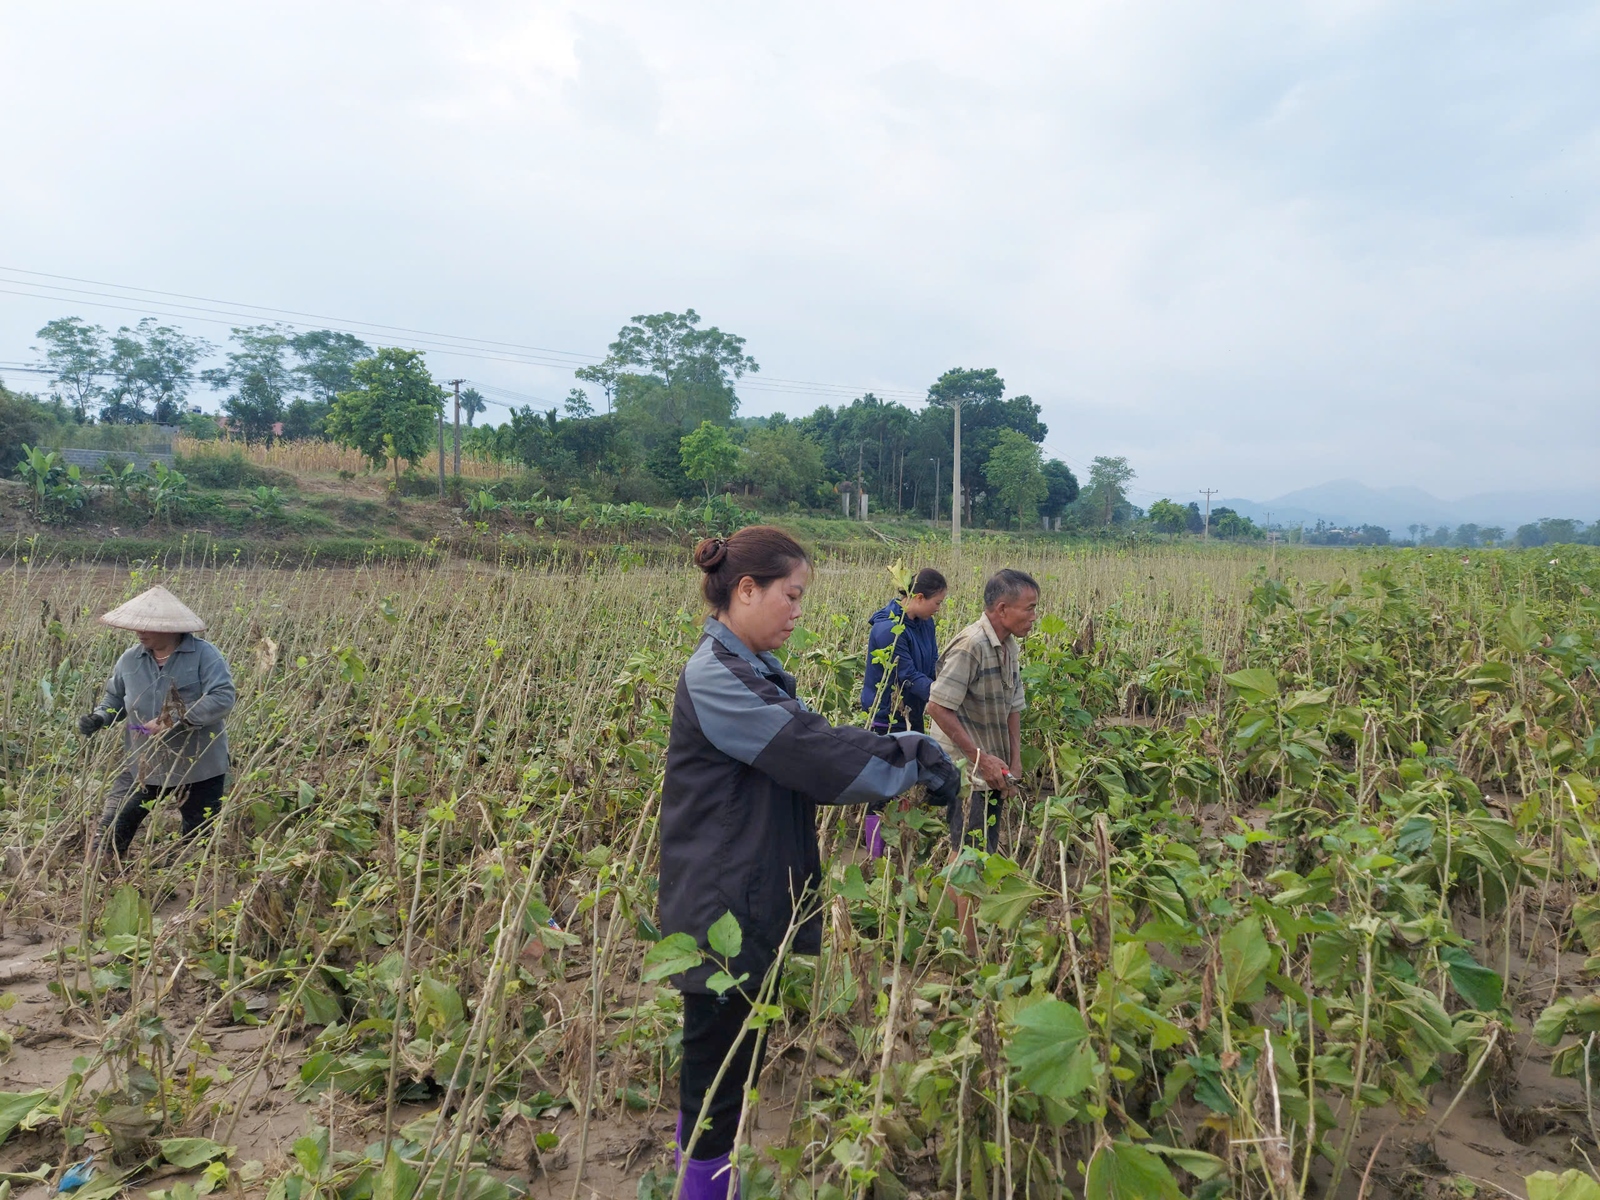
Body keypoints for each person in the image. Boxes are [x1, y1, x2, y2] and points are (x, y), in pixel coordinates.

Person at [660, 527, 959, 1199]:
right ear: (745, 589)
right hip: (719, 904)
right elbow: (812, 755)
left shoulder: (751, 668)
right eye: (790, 595)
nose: (799, 610)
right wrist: (913, 756)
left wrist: (906, 750)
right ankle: (701, 1189)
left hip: (747, 890)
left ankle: (711, 1181)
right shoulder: (718, 675)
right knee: (715, 1069)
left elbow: (816, 738)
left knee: (732, 1063)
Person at [77, 585, 236, 861]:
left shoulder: (205, 655)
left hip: (199, 765)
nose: (139, 631)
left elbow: (223, 696)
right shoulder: (129, 660)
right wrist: (99, 717)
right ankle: (104, 875)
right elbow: (115, 699)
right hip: (143, 761)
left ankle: (185, 887)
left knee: (197, 838)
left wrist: (175, 719)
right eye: (136, 626)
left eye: (147, 626)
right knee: (112, 826)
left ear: (171, 628)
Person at [925, 569, 1039, 948]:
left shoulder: (1009, 646)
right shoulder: (970, 645)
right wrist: (981, 761)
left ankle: (945, 918)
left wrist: (1013, 759)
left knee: (973, 847)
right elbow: (938, 707)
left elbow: (1013, 707)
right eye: (1030, 609)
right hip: (964, 768)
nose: (1034, 616)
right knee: (972, 852)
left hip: (991, 767)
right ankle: (967, 946)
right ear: (1003, 609)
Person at [857, 567, 948, 858]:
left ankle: (898, 840)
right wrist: (942, 695)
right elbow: (905, 674)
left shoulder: (924, 624)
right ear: (919, 597)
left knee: (907, 777)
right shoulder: (888, 630)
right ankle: (873, 850)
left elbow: (932, 662)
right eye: (936, 603)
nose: (938, 609)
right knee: (882, 783)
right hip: (887, 714)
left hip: (913, 710)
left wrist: (942, 686)